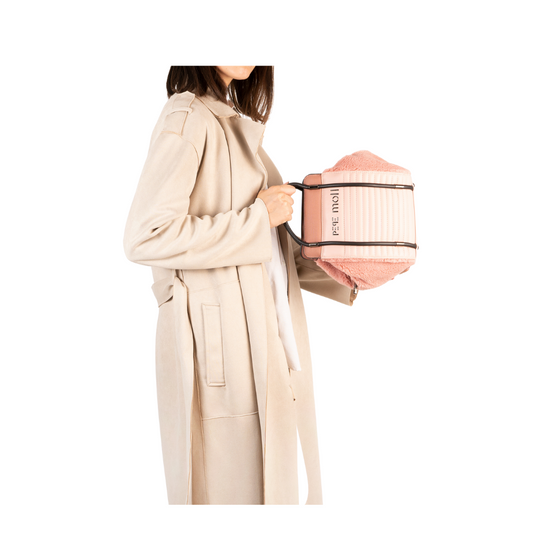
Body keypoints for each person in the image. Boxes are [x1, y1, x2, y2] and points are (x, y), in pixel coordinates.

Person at [123, 66, 356, 505]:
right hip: (219, 351)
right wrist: (257, 217)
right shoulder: (187, 116)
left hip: (262, 342)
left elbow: (268, 252)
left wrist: (349, 270)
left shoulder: (228, 122)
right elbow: (146, 235)